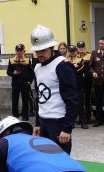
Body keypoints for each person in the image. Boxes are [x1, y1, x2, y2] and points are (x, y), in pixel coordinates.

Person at [30, 25, 78, 155]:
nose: (39, 54)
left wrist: (67, 128)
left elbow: (72, 99)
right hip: (44, 122)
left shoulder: (62, 65)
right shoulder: (37, 67)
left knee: (60, 162)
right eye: (37, 51)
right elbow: (40, 97)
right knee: (46, 159)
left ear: (51, 47)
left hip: (58, 123)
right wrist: (38, 123)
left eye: (43, 50)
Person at [6, 44, 35, 121]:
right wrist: (13, 73)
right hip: (15, 84)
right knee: (14, 100)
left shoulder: (27, 60)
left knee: (25, 100)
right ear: (15, 51)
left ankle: (25, 116)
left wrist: (29, 82)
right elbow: (8, 72)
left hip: (25, 84)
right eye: (17, 50)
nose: (19, 52)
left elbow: (31, 73)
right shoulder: (11, 60)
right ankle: (15, 116)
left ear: (23, 51)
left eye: (20, 50)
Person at [66, 44, 88, 129]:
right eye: (70, 51)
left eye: (73, 51)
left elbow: (81, 69)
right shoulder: (65, 60)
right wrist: (73, 66)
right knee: (70, 105)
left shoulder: (80, 59)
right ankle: (71, 123)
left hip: (79, 85)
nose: (72, 53)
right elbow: (65, 70)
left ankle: (83, 122)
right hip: (69, 85)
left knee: (80, 104)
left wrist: (71, 68)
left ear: (76, 51)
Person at [77, 41, 93, 123]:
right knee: (80, 100)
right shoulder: (75, 56)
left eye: (82, 47)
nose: (81, 49)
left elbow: (92, 67)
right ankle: (81, 118)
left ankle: (88, 117)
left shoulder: (89, 55)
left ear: (85, 48)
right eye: (79, 47)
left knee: (87, 99)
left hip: (88, 80)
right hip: (79, 80)